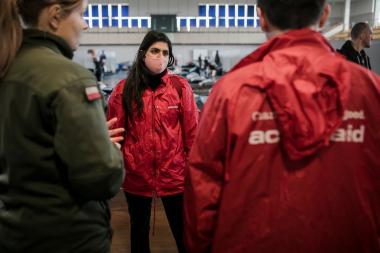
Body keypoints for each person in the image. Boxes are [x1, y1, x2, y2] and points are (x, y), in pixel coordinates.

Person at [184, 0, 380, 253]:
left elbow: (202, 189)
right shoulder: (369, 91)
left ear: (261, 18)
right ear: (324, 16)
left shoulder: (232, 93)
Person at [0, 1, 125, 252]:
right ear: (55, 16)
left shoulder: (8, 66)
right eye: (81, 14)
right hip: (68, 236)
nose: (86, 24)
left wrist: (89, 139)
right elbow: (102, 176)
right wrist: (107, 148)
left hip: (15, 231)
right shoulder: (70, 78)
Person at [107, 31, 198, 253]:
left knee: (183, 232)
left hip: (175, 175)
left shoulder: (180, 87)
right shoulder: (123, 90)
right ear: (142, 54)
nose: (160, 56)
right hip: (137, 176)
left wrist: (194, 173)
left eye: (165, 52)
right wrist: (119, 167)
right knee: (138, 231)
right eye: (155, 51)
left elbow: (193, 134)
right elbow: (115, 135)